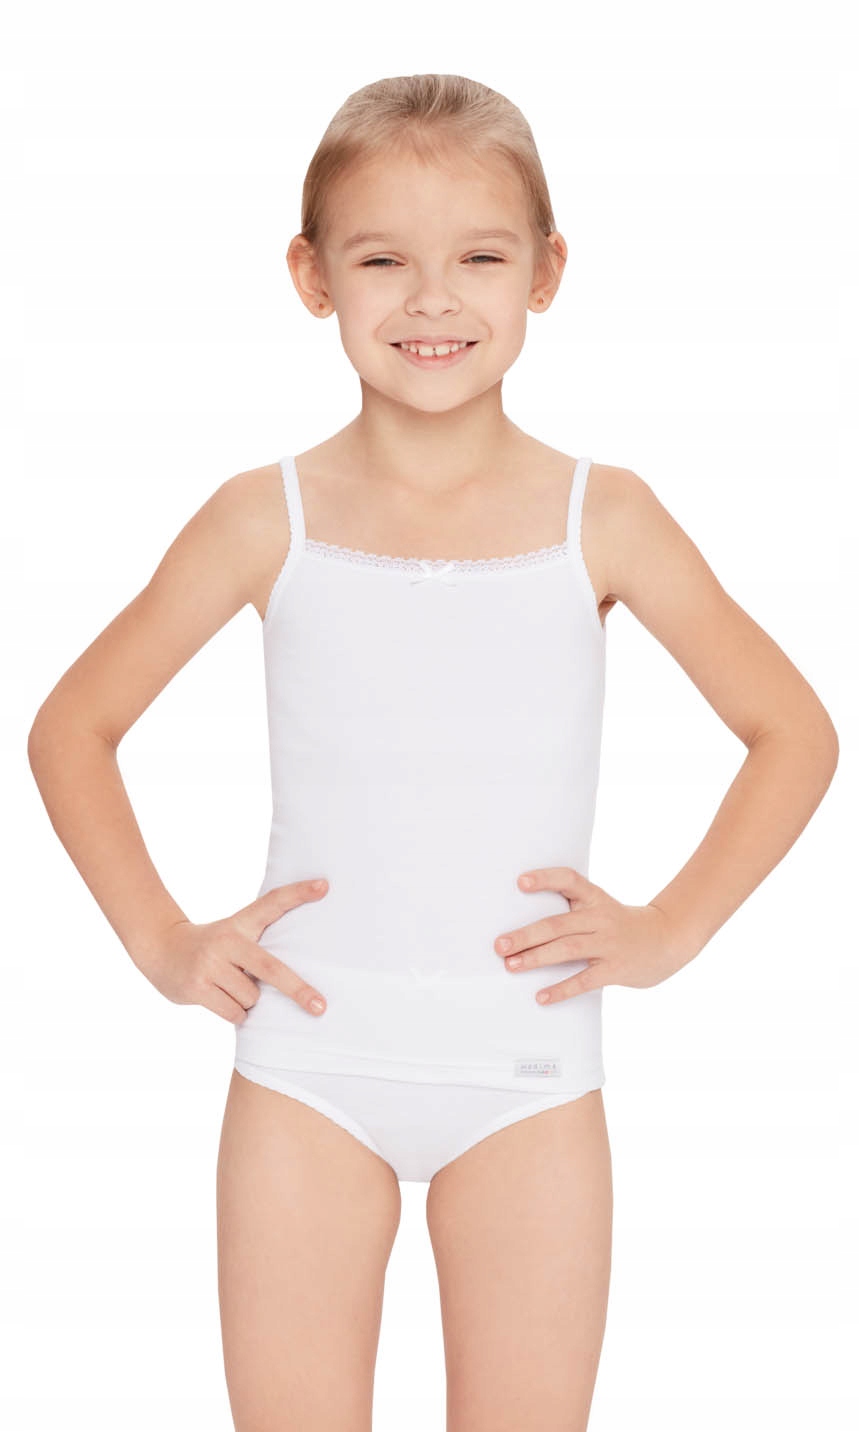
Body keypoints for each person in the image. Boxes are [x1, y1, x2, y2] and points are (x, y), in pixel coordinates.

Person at [27, 72, 839, 1432]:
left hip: (529, 1078)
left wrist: (671, 928)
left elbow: (794, 731)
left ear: (547, 272)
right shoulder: (263, 516)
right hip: (306, 1071)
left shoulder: (604, 517)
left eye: (479, 258)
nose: (431, 300)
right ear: (312, 276)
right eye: (381, 260)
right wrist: (161, 939)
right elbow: (72, 727)